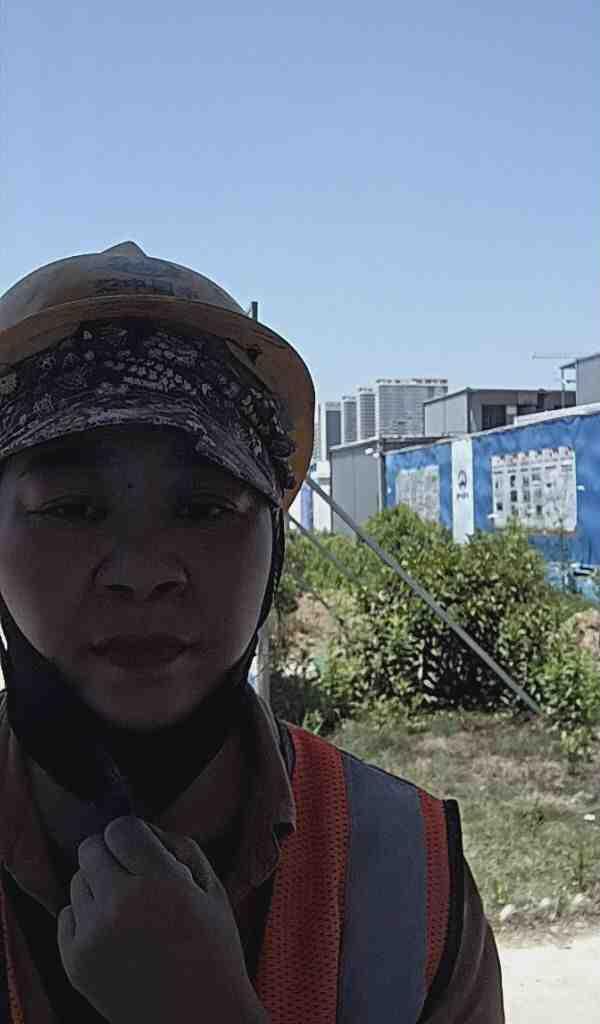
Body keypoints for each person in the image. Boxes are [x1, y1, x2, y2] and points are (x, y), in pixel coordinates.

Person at [0, 241, 504, 1022]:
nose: (143, 572)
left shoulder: (409, 875)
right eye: (72, 508)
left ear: (276, 546)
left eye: (205, 508)